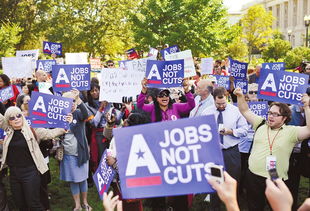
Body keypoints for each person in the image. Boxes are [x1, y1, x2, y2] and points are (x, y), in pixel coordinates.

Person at [234, 87, 310, 211]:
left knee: (276, 208)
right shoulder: (260, 123)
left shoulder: (291, 131)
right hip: (254, 176)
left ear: (284, 118)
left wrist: (306, 107)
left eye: (276, 114)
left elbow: (309, 129)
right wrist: (240, 96)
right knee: (254, 207)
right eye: (270, 112)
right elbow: (245, 110)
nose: (271, 116)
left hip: (276, 179)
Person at [0, 106, 70, 211]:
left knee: (34, 204)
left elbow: (50, 133)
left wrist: (64, 126)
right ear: (8, 122)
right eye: (12, 118)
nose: (16, 119)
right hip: (14, 174)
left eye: (18, 115)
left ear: (22, 116)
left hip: (30, 173)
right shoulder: (8, 129)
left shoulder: (33, 130)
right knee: (20, 205)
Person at [202, 86, 248, 210]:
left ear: (227, 97)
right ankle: (214, 207)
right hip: (214, 153)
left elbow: (245, 129)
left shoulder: (236, 111)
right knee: (215, 182)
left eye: (223, 103)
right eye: (218, 104)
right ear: (213, 99)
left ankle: (233, 206)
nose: (221, 106)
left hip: (231, 152)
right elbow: (201, 132)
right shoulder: (206, 112)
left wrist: (231, 131)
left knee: (233, 181)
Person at [60, 90, 92, 211]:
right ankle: (77, 205)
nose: (72, 103)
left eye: (73, 101)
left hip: (80, 153)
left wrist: (79, 99)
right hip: (68, 154)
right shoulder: (60, 115)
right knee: (74, 180)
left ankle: (85, 202)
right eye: (68, 101)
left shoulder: (78, 113)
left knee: (83, 179)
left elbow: (86, 114)